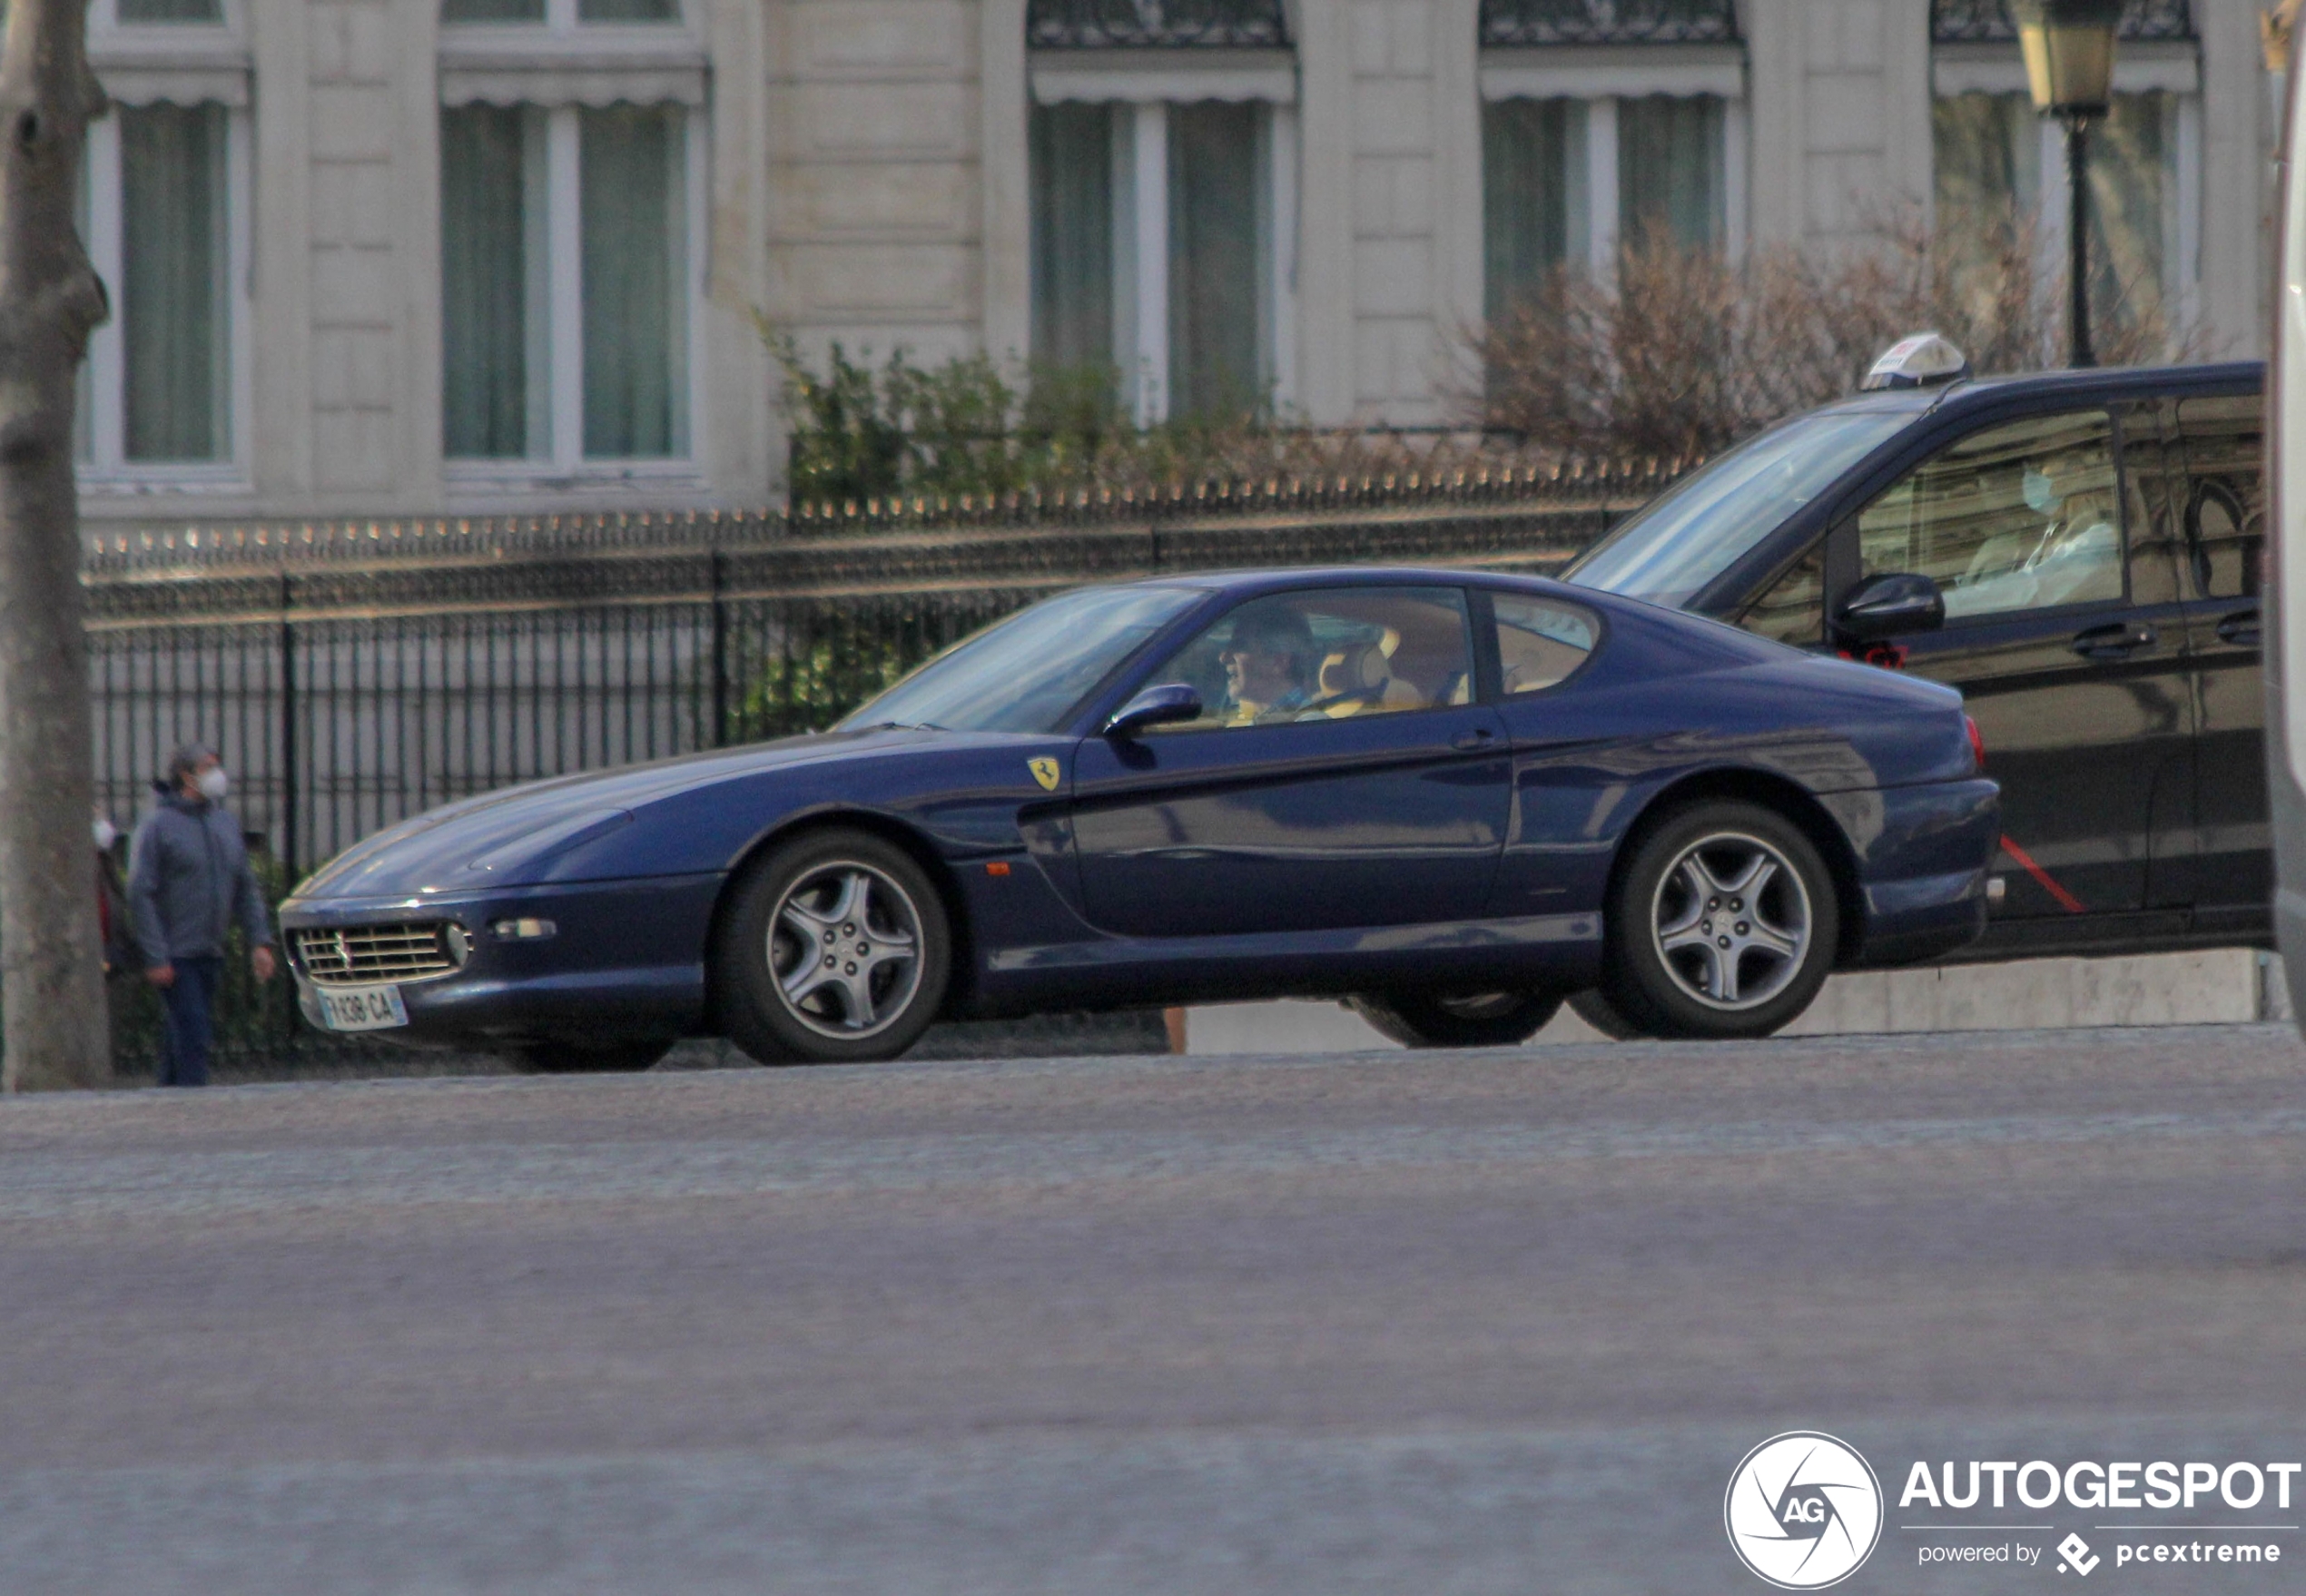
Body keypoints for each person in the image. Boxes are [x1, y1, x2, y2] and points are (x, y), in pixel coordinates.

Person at [128, 744, 276, 1088]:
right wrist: (155, 955)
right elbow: (141, 893)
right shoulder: (158, 826)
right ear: (186, 775)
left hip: (210, 950)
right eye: (208, 767)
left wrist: (259, 941)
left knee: (180, 1035)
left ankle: (168, 1100)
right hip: (176, 952)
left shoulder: (223, 823)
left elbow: (245, 887)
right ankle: (194, 1104)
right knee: (194, 1032)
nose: (217, 775)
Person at [1218, 606, 1317, 724]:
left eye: (1240, 646)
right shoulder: (1261, 724)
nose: (1223, 658)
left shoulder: (1310, 727)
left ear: (1278, 662)